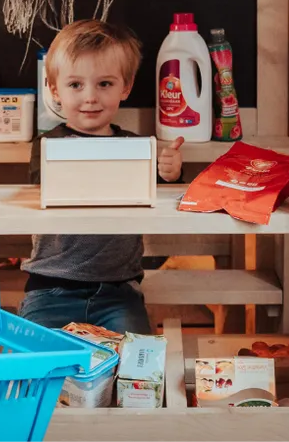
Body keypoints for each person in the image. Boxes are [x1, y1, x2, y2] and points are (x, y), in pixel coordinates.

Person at [19, 20, 184, 335]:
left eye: (104, 84)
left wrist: (169, 171)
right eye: (75, 85)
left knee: (135, 360)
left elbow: (164, 193)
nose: (90, 97)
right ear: (54, 89)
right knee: (38, 358)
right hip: (50, 288)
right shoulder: (48, 145)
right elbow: (47, 184)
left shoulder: (137, 148)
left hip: (118, 293)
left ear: (126, 87)